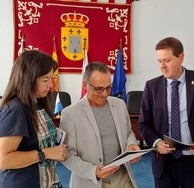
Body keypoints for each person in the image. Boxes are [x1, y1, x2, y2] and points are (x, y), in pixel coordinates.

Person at [138, 37, 194, 188]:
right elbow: (144, 123)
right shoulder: (152, 86)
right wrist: (156, 143)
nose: (162, 66)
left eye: (167, 60)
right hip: (164, 161)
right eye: (159, 61)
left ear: (181, 57)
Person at [60, 62, 140, 188]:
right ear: (85, 85)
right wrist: (93, 171)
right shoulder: (70, 114)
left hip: (123, 178)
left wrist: (131, 144)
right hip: (91, 181)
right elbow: (67, 154)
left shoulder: (119, 105)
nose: (104, 94)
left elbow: (128, 132)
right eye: (98, 89)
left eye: (108, 88)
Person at [0, 50, 68, 188]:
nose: (50, 85)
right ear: (27, 79)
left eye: (51, 78)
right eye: (45, 80)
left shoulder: (37, 103)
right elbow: (3, 159)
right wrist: (46, 153)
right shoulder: (16, 110)